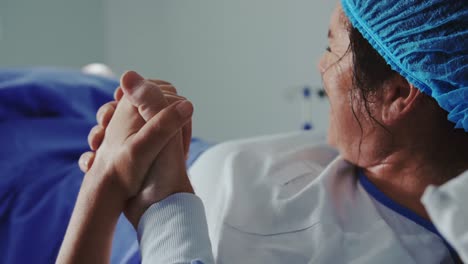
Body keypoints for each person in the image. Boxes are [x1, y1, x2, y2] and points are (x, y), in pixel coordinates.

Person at [57, 0, 468, 263]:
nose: (321, 66)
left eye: (331, 48)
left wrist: (115, 187)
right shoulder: (390, 155)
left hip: (102, 220)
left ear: (398, 94)